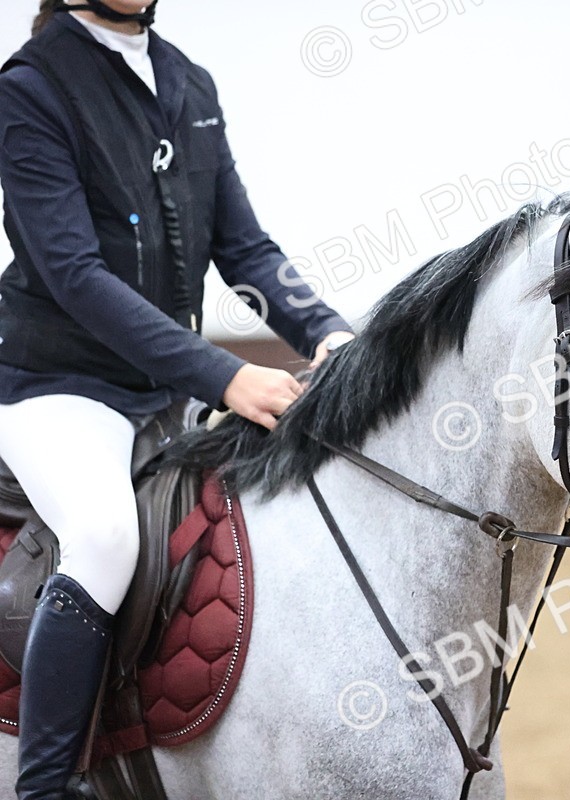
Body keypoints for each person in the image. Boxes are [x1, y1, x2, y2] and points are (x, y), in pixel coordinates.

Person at [0, 1, 356, 795]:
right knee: (103, 538)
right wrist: (225, 376)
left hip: (163, 391)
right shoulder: (31, 88)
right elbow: (75, 276)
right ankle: (46, 787)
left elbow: (246, 249)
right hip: (59, 387)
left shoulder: (187, 82)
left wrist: (327, 332)